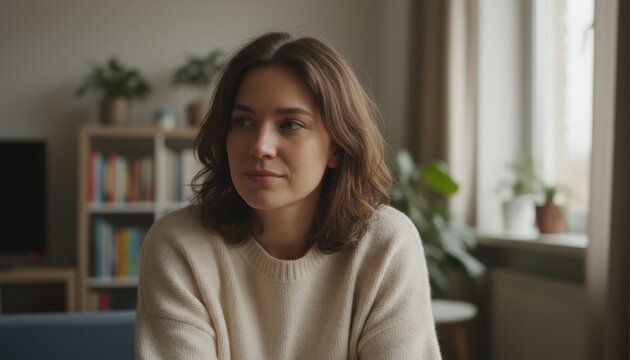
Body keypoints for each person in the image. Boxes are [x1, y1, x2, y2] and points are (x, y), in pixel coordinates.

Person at [135, 32, 441, 359]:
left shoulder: (386, 244)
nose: (260, 146)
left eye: (291, 124)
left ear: (337, 147)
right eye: (243, 121)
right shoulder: (179, 244)